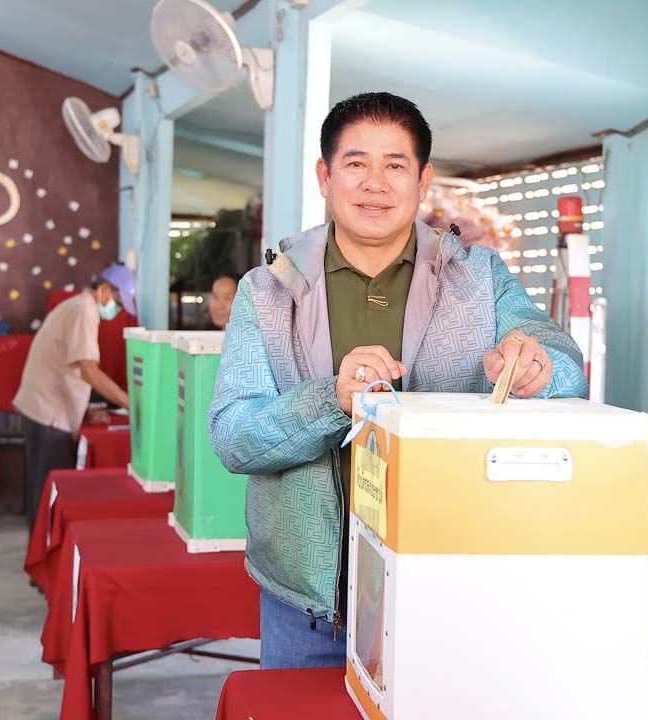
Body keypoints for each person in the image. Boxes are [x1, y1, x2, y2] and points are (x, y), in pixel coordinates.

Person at [209, 92, 589, 669]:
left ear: (423, 179)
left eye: (395, 165)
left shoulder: (478, 276)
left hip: (449, 591)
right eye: (356, 163)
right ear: (325, 176)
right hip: (308, 607)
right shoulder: (268, 291)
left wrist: (540, 367)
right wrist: (333, 400)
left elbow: (563, 363)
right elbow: (233, 436)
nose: (375, 184)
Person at [13, 264, 135, 529]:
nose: (116, 309)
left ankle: (40, 551)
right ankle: (44, 554)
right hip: (48, 414)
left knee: (41, 494)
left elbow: (70, 366)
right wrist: (132, 405)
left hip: (44, 409)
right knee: (49, 498)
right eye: (117, 302)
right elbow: (88, 369)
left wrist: (88, 410)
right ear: (104, 290)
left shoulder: (76, 307)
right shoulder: (83, 311)